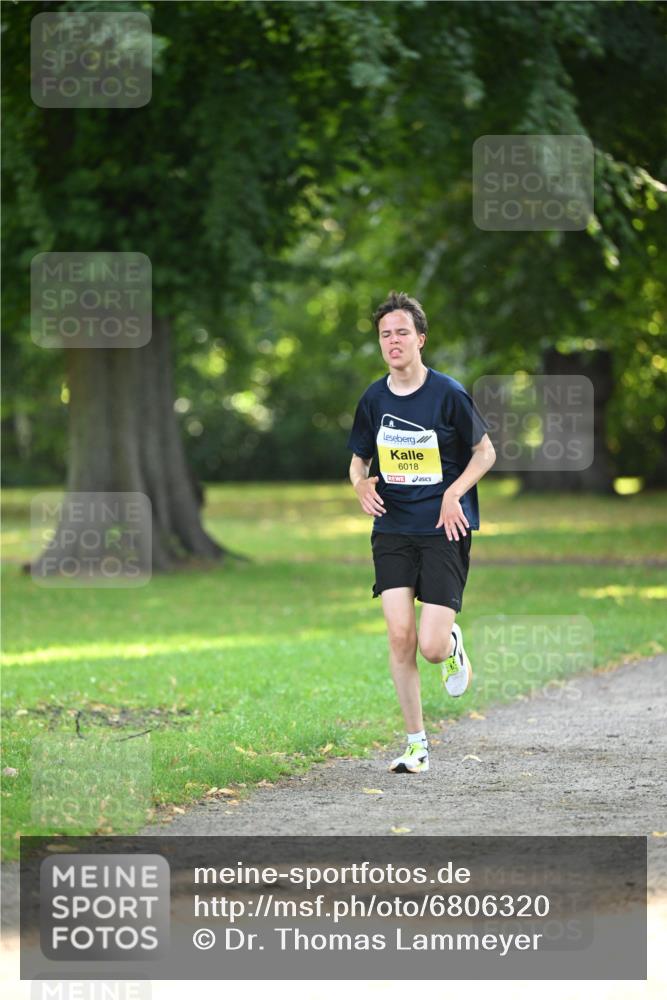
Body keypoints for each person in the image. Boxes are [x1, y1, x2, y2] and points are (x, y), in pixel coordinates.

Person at [347, 290, 496, 774]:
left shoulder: (448, 394)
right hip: (392, 528)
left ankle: (450, 645)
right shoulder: (373, 399)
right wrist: (360, 485)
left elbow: (486, 452)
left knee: (429, 647)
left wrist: (454, 493)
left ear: (420, 339)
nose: (393, 341)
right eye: (385, 334)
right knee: (399, 636)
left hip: (443, 528)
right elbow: (358, 461)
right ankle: (417, 746)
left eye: (402, 333)